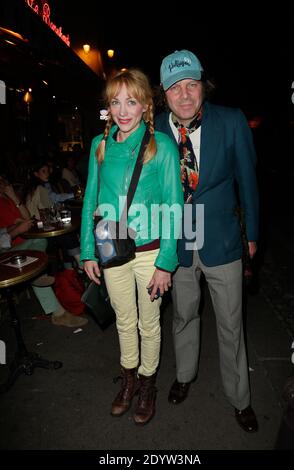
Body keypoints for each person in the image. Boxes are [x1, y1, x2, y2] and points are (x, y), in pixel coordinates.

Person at [155, 50, 259, 433]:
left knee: (232, 324)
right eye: (175, 88)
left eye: (192, 85)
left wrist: (253, 236)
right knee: (183, 315)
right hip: (178, 244)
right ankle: (184, 375)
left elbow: (248, 181)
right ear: (163, 94)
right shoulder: (156, 132)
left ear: (203, 86)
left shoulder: (231, 121)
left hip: (223, 240)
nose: (184, 95)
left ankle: (240, 399)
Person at [80, 69, 183, 425]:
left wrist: (166, 262)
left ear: (145, 106)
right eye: (115, 102)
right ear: (108, 106)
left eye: (131, 101)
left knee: (148, 324)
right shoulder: (100, 144)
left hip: (151, 253)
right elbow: (90, 197)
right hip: (111, 250)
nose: (123, 110)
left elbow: (174, 206)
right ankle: (129, 382)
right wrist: (87, 251)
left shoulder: (162, 145)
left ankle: (148, 385)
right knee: (125, 321)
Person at [0, 174, 88, 328]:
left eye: (3, 179)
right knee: (40, 252)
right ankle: (58, 309)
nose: (3, 182)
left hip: (26, 243)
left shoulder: (7, 199)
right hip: (8, 252)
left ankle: (67, 271)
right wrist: (14, 231)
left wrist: (13, 197)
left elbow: (27, 218)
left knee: (59, 235)